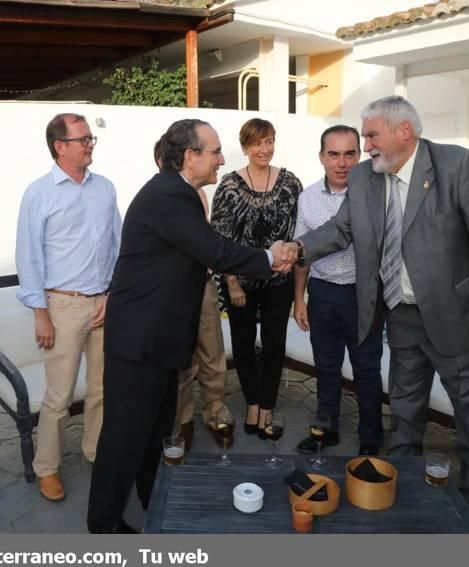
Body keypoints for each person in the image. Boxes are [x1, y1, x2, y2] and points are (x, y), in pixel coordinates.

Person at [295, 96, 469, 524]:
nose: (366, 145)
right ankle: (404, 474)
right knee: (405, 403)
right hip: (401, 314)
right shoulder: (365, 178)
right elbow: (341, 229)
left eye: (372, 135)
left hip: (460, 317)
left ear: (404, 132)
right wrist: (300, 247)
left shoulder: (458, 166)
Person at [87, 119, 298, 534]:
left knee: (153, 433)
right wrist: (270, 258)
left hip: (159, 339)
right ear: (190, 156)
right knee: (124, 438)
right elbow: (214, 250)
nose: (222, 159)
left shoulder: (178, 192)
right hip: (140, 341)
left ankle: (155, 502)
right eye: (216, 151)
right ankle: (103, 526)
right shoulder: (170, 195)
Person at [16, 113, 122, 501]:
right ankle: (47, 468)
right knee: (58, 397)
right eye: (83, 139)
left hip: (104, 303)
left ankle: (95, 450)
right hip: (62, 306)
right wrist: (40, 313)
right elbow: (28, 258)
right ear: (60, 146)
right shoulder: (39, 193)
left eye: (91, 138)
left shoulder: (105, 188)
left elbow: (118, 246)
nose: (90, 144)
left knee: (102, 388)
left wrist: (112, 295)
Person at [293, 125, 384, 456]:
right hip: (323, 293)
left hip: (364, 296)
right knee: (326, 367)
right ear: (321, 157)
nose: (342, 163)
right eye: (334, 154)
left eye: (349, 154)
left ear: (359, 156)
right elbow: (303, 254)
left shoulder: (377, 194)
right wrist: (298, 299)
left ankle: (371, 438)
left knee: (366, 370)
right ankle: (326, 429)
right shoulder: (308, 198)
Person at [211, 118, 302, 437]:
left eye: (269, 141)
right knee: (244, 344)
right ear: (245, 147)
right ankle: (251, 402)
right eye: (257, 143)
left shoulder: (290, 183)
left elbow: (298, 230)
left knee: (275, 344)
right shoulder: (229, 185)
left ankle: (267, 406)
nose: (265, 149)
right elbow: (220, 240)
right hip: (241, 283)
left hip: (280, 281)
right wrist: (232, 281)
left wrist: (291, 257)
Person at [153, 139, 234, 451]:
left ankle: (216, 412)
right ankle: (184, 420)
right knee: (183, 362)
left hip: (203, 287)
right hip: (175, 293)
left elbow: (209, 245)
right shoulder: (161, 200)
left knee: (213, 355)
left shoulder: (198, 195)